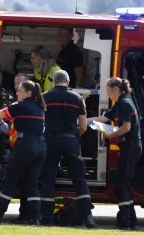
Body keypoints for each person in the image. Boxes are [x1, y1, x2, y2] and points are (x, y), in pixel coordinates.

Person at [0, 80, 46, 225]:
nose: (17, 93)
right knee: (32, 183)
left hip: (25, 144)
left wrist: (3, 126)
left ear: (28, 93)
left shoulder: (20, 106)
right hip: (41, 146)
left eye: (20, 91)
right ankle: (34, 218)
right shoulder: (40, 107)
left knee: (10, 179)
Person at [40, 70, 95, 228]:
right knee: (79, 179)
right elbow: (83, 126)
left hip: (50, 140)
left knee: (48, 178)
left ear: (54, 81)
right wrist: (73, 135)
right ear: (68, 82)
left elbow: (40, 120)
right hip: (71, 141)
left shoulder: (44, 97)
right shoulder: (77, 98)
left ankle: (47, 218)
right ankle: (87, 216)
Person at [87, 77, 141, 230]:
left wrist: (111, 135)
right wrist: (84, 120)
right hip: (128, 146)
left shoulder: (124, 103)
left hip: (131, 145)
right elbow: (104, 118)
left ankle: (126, 221)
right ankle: (129, 220)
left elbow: (126, 127)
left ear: (115, 90)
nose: (107, 93)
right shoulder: (120, 103)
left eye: (108, 90)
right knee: (123, 182)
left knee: (122, 182)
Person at [7, 73, 31, 224]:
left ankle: (24, 215)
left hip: (24, 149)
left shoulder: (26, 105)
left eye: (20, 84)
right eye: (15, 83)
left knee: (23, 183)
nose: (16, 87)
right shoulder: (18, 104)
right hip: (16, 147)